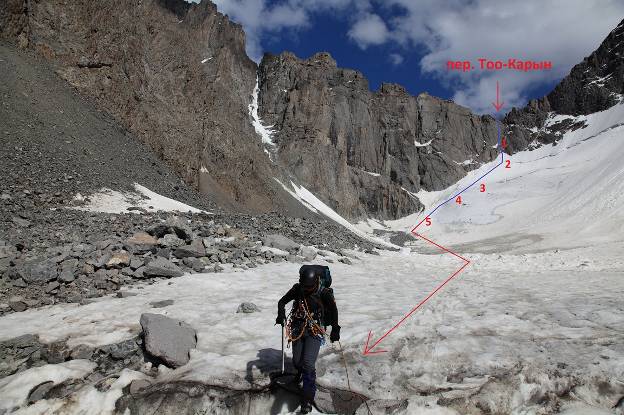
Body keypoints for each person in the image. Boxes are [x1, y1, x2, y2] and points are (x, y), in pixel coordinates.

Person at [276, 266, 340, 414]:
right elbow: (282, 301)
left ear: (316, 282)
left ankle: (307, 399)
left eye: (310, 287)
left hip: (314, 331)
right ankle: (302, 376)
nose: (307, 290)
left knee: (308, 363)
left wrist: (336, 329)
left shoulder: (323, 293)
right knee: (298, 362)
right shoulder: (298, 289)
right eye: (306, 287)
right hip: (298, 329)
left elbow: (334, 310)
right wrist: (280, 314)